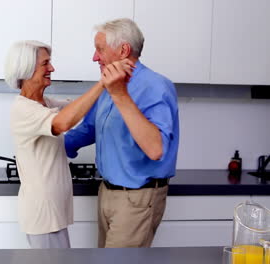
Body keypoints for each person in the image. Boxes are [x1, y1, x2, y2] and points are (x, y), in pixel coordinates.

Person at [4, 40, 134, 248]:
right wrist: (103, 82)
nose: (52, 68)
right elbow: (63, 122)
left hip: (52, 213)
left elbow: (76, 108)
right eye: (45, 64)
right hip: (43, 215)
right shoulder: (23, 109)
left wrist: (112, 86)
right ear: (27, 69)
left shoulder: (44, 103)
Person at [65, 18, 180, 248]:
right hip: (107, 192)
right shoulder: (111, 84)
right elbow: (90, 128)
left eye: (99, 49)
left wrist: (120, 94)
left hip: (136, 198)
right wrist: (52, 144)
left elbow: (156, 149)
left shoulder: (156, 86)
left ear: (123, 50)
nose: (94, 57)